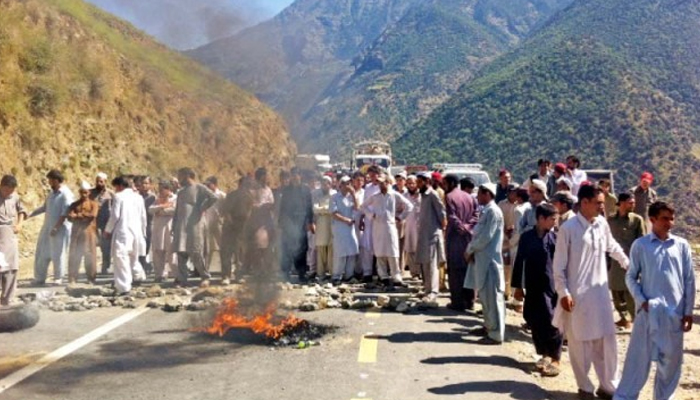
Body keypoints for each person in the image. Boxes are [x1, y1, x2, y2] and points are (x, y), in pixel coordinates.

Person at [552, 184, 629, 399]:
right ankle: (585, 388)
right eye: (598, 203)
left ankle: (608, 386)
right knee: (580, 344)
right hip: (577, 297)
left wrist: (628, 264)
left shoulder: (601, 224)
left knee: (606, 342)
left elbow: (612, 246)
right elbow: (558, 267)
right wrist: (564, 292)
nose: (602, 207)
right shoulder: (569, 228)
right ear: (584, 203)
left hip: (600, 295)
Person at [614, 202, 695, 400]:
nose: (670, 223)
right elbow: (631, 277)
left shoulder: (681, 246)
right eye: (665, 218)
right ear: (652, 220)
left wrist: (688, 311)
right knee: (637, 362)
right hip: (648, 312)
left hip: (674, 314)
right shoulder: (641, 246)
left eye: (672, 218)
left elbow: (689, 280)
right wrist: (642, 301)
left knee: (670, 364)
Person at [512, 203, 563, 377]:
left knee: (552, 320)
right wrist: (518, 286)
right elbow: (519, 261)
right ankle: (544, 354)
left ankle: (555, 358)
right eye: (552, 219)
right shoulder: (527, 237)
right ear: (541, 219)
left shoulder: (556, 238)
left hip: (551, 287)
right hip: (533, 286)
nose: (555, 222)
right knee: (533, 318)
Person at [464, 183, 505, 345]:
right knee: (485, 297)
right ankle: (488, 326)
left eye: (480, 194)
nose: (478, 197)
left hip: (490, 262)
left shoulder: (493, 212)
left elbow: (485, 237)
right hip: (482, 260)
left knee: (493, 298)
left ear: (487, 194)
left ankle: (495, 334)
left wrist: (470, 249)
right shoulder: (486, 211)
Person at [362, 173, 413, 290]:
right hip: (378, 227)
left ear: (388, 182)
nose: (381, 185)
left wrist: (400, 217)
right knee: (380, 253)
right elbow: (363, 206)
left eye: (383, 182)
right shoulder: (375, 196)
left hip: (390, 226)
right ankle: (383, 276)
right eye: (379, 183)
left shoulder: (394, 195)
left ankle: (396, 277)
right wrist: (371, 215)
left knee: (393, 252)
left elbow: (409, 206)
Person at [171, 168, 219, 288]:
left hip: (195, 224)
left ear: (187, 175)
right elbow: (177, 210)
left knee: (196, 252)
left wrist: (202, 208)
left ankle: (205, 276)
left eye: (180, 175)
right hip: (181, 225)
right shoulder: (181, 192)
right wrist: (174, 225)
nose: (179, 178)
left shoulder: (199, 188)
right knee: (181, 252)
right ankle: (183, 279)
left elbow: (213, 197)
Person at [607, 193, 647, 330]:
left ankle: (635, 320)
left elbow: (643, 241)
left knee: (630, 291)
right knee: (615, 290)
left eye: (633, 202)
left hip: (631, 260)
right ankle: (624, 318)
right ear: (621, 203)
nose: (633, 205)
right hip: (614, 262)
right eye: (630, 202)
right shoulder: (611, 220)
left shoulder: (637, 220)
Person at [30, 169, 74, 286]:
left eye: (50, 180)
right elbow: (45, 207)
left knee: (58, 254)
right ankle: (39, 277)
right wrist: (30, 214)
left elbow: (65, 212)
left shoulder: (65, 194)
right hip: (47, 227)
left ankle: (58, 277)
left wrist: (56, 227)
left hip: (60, 229)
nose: (48, 182)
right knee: (42, 252)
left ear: (55, 180)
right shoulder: (51, 193)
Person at [104, 176, 147, 294]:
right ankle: (138, 276)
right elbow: (143, 217)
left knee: (121, 258)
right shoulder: (138, 197)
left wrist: (108, 230)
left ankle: (123, 286)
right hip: (136, 232)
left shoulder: (119, 197)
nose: (115, 190)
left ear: (120, 186)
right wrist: (143, 232)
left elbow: (115, 216)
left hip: (123, 232)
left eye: (116, 187)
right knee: (133, 257)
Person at [444, 174, 479, 311]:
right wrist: (468, 227)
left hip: (455, 237)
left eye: (445, 184)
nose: (443, 186)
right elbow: (476, 215)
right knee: (468, 269)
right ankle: (470, 301)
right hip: (469, 237)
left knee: (455, 271)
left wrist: (461, 227)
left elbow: (451, 216)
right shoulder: (470, 197)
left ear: (451, 183)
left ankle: (457, 302)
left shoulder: (449, 197)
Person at [279, 168, 313, 282]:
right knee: (287, 248)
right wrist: (281, 223)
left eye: (296, 175)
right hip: (289, 223)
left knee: (302, 249)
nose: (295, 177)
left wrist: (310, 222)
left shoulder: (306, 190)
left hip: (302, 222)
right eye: (293, 175)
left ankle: (302, 274)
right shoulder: (286, 190)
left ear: (300, 176)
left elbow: (309, 207)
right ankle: (286, 273)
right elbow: (282, 208)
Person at [415, 172, 446, 300]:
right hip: (423, 234)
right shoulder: (422, 196)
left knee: (432, 265)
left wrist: (441, 229)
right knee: (425, 263)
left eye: (420, 182)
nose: (417, 184)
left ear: (427, 181)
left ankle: (433, 291)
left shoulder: (433, 194)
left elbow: (442, 213)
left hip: (432, 235)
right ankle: (427, 289)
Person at [220, 177, 253, 283]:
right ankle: (226, 276)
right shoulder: (232, 195)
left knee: (240, 253)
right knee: (227, 252)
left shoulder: (249, 197)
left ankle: (239, 276)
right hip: (230, 227)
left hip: (242, 228)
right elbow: (226, 212)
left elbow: (250, 212)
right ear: (240, 184)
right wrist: (231, 223)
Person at [0, 175, 26, 305]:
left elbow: (22, 210)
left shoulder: (14, 196)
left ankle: (7, 299)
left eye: (11, 191)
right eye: (6, 190)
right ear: (2, 186)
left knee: (11, 267)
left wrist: (20, 224)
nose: (9, 193)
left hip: (10, 235)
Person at [66, 182, 99, 285]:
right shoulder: (74, 204)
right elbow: (69, 216)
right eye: (81, 192)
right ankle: (72, 278)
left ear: (89, 192)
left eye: (85, 192)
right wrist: (77, 216)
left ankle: (91, 278)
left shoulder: (94, 204)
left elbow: (92, 215)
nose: (83, 194)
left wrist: (78, 215)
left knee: (90, 256)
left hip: (89, 234)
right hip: (76, 233)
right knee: (74, 255)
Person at [246, 168, 276, 279]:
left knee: (268, 247)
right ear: (260, 177)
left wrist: (269, 206)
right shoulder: (252, 190)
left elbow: (272, 202)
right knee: (257, 246)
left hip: (267, 221)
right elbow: (250, 204)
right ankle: (257, 270)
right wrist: (259, 207)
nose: (266, 178)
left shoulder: (268, 189)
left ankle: (266, 271)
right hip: (256, 221)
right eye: (264, 176)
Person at [330, 176, 359, 284]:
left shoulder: (351, 197)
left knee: (352, 251)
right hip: (340, 227)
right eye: (346, 184)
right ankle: (336, 276)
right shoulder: (334, 197)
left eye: (349, 183)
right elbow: (334, 213)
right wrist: (345, 220)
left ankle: (349, 275)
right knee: (340, 252)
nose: (348, 186)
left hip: (350, 228)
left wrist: (354, 194)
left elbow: (357, 208)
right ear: (340, 185)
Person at [149, 180, 177, 283]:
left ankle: (177, 274)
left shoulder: (175, 198)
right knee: (158, 251)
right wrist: (162, 206)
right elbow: (151, 209)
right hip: (158, 229)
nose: (160, 191)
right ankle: (159, 274)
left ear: (168, 190)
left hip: (170, 228)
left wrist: (161, 211)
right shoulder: (158, 199)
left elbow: (175, 210)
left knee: (171, 252)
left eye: (162, 190)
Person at [310, 176, 335, 282]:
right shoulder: (315, 193)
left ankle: (332, 272)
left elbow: (332, 209)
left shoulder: (334, 194)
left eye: (327, 183)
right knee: (320, 249)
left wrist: (322, 209)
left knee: (331, 248)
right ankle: (321, 273)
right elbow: (315, 209)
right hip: (320, 224)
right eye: (323, 183)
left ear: (330, 184)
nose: (325, 185)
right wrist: (326, 209)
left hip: (331, 223)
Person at [358, 165, 381, 283]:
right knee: (367, 245)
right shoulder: (367, 187)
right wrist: (364, 216)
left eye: (373, 175)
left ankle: (380, 272)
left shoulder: (384, 187)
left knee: (380, 246)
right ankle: (367, 272)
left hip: (380, 220)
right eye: (370, 175)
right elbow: (364, 204)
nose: (372, 177)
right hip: (369, 219)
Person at [498, 183, 519, 301]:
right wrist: (505, 229)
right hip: (503, 239)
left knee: (513, 266)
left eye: (515, 192)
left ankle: (512, 291)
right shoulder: (501, 204)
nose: (513, 194)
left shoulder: (520, 205)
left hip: (515, 240)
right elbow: (498, 220)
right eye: (511, 192)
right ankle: (505, 290)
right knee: (504, 265)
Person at [90, 172, 113, 274]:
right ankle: (90, 268)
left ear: (105, 182)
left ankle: (105, 266)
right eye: (97, 181)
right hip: (93, 222)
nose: (98, 183)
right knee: (91, 245)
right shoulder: (90, 193)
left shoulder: (111, 194)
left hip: (106, 223)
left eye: (101, 181)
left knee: (106, 246)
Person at [204, 176, 226, 273]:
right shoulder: (205, 195)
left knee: (223, 246)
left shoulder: (221, 195)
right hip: (207, 222)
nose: (207, 186)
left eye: (209, 184)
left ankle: (225, 269)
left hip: (219, 223)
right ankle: (206, 270)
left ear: (215, 184)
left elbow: (226, 207)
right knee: (208, 247)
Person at [134, 176, 156, 274]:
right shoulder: (136, 196)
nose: (144, 185)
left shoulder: (152, 197)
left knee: (146, 246)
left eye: (146, 183)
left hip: (149, 224)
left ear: (150, 185)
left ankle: (145, 265)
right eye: (142, 183)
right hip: (137, 224)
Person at [403, 175, 421, 279]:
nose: (411, 185)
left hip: (419, 226)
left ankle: (420, 271)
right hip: (408, 225)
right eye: (409, 183)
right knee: (410, 249)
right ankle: (414, 272)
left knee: (419, 249)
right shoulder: (405, 196)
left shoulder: (422, 195)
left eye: (413, 183)